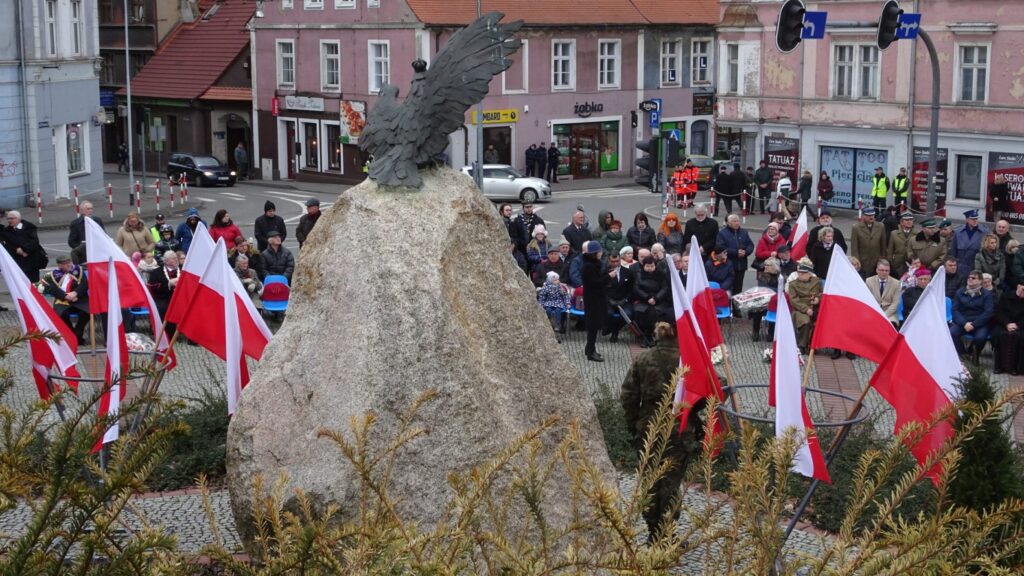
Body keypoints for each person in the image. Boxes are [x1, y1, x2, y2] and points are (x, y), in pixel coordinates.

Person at [620, 321, 703, 543]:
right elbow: (706, 392)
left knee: (650, 480)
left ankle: (652, 531)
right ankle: (666, 532)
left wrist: (633, 424)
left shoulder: (644, 359)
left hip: (649, 427)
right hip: (679, 429)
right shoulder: (688, 360)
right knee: (671, 483)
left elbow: (628, 396)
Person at [40, 255, 90, 341]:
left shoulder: (79, 270)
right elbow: (51, 288)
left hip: (79, 299)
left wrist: (75, 293)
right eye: (64, 264)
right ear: (59, 265)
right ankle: (72, 334)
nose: (68, 265)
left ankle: (78, 334)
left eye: (69, 262)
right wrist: (65, 296)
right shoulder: (53, 275)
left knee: (86, 313)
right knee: (61, 314)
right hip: (62, 300)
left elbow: (85, 284)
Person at [950, 270, 993, 361]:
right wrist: (964, 323)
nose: (970, 279)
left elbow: (988, 312)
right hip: (963, 321)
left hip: (979, 323)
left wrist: (974, 324)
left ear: (980, 281)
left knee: (980, 338)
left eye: (973, 278)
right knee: (952, 333)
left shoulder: (987, 294)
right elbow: (955, 310)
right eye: (969, 277)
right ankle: (963, 354)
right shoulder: (960, 292)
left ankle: (974, 354)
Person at [632, 256, 670, 342]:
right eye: (647, 266)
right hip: (643, 300)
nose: (650, 268)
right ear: (643, 266)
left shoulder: (661, 274)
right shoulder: (639, 274)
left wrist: (656, 298)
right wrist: (647, 298)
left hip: (657, 300)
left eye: (652, 266)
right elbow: (636, 288)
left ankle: (648, 335)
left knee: (653, 313)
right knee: (641, 312)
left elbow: (664, 288)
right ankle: (644, 335)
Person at [788, 261, 822, 353]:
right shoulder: (793, 284)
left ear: (809, 274)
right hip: (800, 309)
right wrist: (806, 309)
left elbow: (822, 294)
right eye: (799, 272)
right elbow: (794, 300)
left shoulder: (817, 281)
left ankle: (814, 345)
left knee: (822, 322)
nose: (800, 275)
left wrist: (818, 299)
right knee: (805, 321)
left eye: (803, 273)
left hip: (816, 308)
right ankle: (802, 345)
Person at [581, 242, 606, 361]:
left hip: (596, 298)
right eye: (599, 251)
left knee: (594, 326)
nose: (601, 253)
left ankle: (590, 349)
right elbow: (595, 283)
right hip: (592, 299)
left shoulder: (594, 264)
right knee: (592, 327)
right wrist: (609, 277)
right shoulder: (589, 266)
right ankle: (590, 352)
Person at [716, 214, 754, 293]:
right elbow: (721, 247)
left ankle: (736, 305)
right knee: (728, 289)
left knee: (738, 289)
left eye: (737, 221)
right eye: (734, 221)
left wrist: (745, 252)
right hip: (728, 266)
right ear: (728, 223)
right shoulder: (722, 234)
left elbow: (750, 245)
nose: (736, 223)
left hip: (741, 266)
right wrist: (736, 252)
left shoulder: (744, 232)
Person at [146, 251, 181, 337]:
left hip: (180, 298)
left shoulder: (183, 269)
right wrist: (169, 284)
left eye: (176, 258)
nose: (176, 260)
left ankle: (192, 338)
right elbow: (153, 287)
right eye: (173, 258)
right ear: (166, 261)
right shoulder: (157, 272)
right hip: (163, 297)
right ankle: (166, 335)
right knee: (164, 308)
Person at [992, 282, 1024, 375]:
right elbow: (999, 312)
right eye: (1023, 289)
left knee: (1020, 338)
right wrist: (1007, 324)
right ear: (1018, 286)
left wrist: (1017, 325)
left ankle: (1016, 367)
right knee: (997, 335)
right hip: (1004, 324)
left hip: (1021, 325)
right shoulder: (1006, 296)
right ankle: (998, 366)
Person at [603, 252, 634, 343]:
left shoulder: (627, 272)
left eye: (617, 261)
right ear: (609, 261)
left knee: (628, 315)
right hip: (609, 300)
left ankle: (614, 330)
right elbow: (602, 289)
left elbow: (631, 289)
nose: (615, 264)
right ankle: (612, 330)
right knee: (608, 314)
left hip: (623, 300)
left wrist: (625, 300)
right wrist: (609, 300)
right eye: (613, 262)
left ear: (620, 260)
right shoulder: (605, 272)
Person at [850, 207, 886, 279]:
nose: (871, 217)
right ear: (863, 216)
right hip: (863, 261)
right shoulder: (856, 227)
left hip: (876, 261)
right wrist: (856, 261)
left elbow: (883, 244)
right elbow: (854, 247)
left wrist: (883, 258)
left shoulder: (880, 226)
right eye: (868, 215)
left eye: (872, 215)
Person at [950, 209, 989, 274]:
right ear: (967, 219)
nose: (975, 221)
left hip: (976, 267)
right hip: (960, 266)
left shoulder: (984, 232)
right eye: (972, 219)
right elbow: (953, 251)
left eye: (976, 219)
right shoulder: (958, 232)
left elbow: (986, 252)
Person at [751, 257, 781, 341]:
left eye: (768, 265)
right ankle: (755, 331)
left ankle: (771, 333)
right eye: (765, 265)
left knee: (774, 309)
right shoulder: (762, 275)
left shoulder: (780, 277)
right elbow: (763, 288)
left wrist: (773, 292)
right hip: (763, 301)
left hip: (775, 302)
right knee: (757, 309)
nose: (765, 267)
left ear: (774, 267)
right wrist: (774, 291)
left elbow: (782, 290)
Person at [866, 259, 901, 328]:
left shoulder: (896, 283)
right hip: (873, 312)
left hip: (890, 314)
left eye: (886, 270)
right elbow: (867, 300)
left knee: (889, 325)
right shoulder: (869, 281)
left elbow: (895, 304)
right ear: (877, 270)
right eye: (882, 270)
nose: (884, 272)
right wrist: (876, 314)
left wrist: (884, 315)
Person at [537, 271, 571, 341]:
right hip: (548, 302)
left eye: (558, 279)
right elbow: (542, 296)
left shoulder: (560, 287)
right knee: (548, 310)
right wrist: (541, 303)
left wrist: (567, 303)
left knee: (558, 310)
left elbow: (565, 295)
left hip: (558, 302)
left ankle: (558, 325)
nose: (558, 281)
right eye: (555, 280)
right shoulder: (546, 287)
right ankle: (548, 323)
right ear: (551, 280)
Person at [886, 212, 917, 277]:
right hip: (897, 264)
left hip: (912, 264)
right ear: (901, 222)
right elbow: (890, 250)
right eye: (906, 220)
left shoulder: (917, 234)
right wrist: (891, 262)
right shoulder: (894, 234)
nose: (909, 222)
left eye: (911, 220)